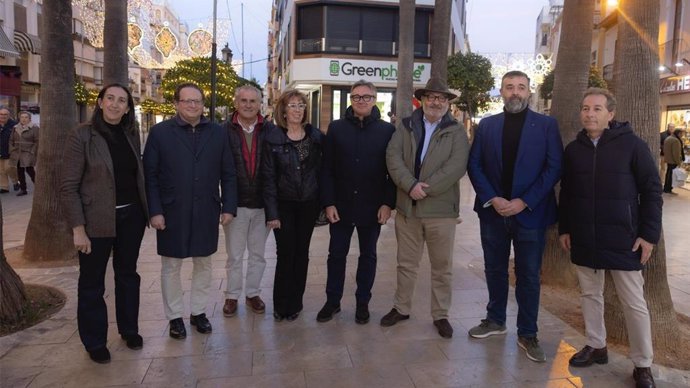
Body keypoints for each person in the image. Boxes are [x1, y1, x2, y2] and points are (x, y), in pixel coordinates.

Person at [559, 88, 661, 388]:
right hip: (584, 237)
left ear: (611, 114)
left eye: (597, 109)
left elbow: (652, 191)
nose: (590, 113)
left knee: (634, 303)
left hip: (624, 238)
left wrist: (648, 235)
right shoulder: (573, 149)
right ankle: (596, 345)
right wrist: (566, 227)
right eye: (585, 108)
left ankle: (643, 364)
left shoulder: (632, 145)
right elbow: (567, 193)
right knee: (590, 295)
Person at [467, 70, 563, 362]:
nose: (515, 92)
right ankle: (495, 319)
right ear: (501, 90)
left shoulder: (546, 125)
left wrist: (525, 201)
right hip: (493, 213)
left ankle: (528, 332)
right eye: (509, 87)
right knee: (494, 269)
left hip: (530, 215)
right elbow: (475, 165)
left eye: (521, 87)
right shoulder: (487, 125)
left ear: (529, 91)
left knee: (529, 275)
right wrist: (492, 198)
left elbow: (554, 167)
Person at [60, 84, 148, 364]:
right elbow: (68, 186)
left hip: (130, 217)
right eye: (110, 98)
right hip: (95, 220)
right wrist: (77, 228)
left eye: (122, 101)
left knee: (127, 274)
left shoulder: (130, 133)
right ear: (99, 102)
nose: (115, 104)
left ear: (127, 107)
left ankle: (129, 329)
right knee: (92, 282)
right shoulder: (82, 135)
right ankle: (95, 340)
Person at [143, 82, 237, 340]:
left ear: (203, 104)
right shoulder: (160, 133)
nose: (193, 105)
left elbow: (228, 173)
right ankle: (175, 317)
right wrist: (155, 211)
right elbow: (149, 176)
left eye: (197, 101)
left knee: (204, 264)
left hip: (206, 209)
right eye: (187, 101)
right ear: (176, 104)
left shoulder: (218, 133)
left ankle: (198, 312)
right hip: (172, 212)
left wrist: (228, 206)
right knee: (171, 266)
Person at [382, 77, 470, 339]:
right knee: (406, 264)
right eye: (431, 97)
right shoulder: (406, 126)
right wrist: (410, 186)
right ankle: (401, 307)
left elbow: (456, 166)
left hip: (441, 212)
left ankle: (440, 314)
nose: (436, 102)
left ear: (447, 103)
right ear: (422, 99)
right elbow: (392, 156)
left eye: (441, 98)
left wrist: (425, 189)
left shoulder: (456, 131)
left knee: (442, 267)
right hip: (408, 208)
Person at [316, 80, 396, 324]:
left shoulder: (387, 131)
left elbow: (392, 171)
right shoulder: (337, 128)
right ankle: (333, 302)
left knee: (368, 256)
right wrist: (328, 203)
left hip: (372, 207)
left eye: (367, 97)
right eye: (357, 97)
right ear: (351, 100)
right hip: (340, 205)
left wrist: (387, 204)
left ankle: (363, 303)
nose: (361, 101)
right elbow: (326, 169)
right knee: (336, 255)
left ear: (375, 99)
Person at [262, 89, 322, 322]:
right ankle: (281, 304)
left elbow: (324, 170)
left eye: (300, 105)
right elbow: (267, 179)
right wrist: (272, 213)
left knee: (302, 254)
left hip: (308, 204)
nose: (297, 109)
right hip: (284, 206)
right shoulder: (274, 138)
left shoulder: (315, 136)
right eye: (292, 105)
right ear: (283, 111)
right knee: (285, 254)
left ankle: (295, 303)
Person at [221, 85, 273, 318]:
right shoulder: (223, 131)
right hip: (236, 205)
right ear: (236, 103)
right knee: (234, 255)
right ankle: (232, 296)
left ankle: (253, 293)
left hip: (262, 205)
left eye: (253, 101)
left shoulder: (270, 130)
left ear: (260, 103)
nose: (249, 105)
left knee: (258, 255)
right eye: (244, 100)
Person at [10, 111, 38, 196]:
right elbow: (11, 140)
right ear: (19, 118)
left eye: (26, 117)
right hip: (17, 152)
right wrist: (11, 150)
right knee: (20, 171)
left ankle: (38, 187)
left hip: (28, 152)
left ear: (29, 119)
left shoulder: (34, 128)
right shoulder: (15, 127)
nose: (24, 119)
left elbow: (38, 141)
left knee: (30, 171)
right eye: (22, 117)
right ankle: (23, 189)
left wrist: (33, 151)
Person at [0, 107, 19, 193]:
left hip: (10, 151)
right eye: (1, 114)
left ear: (9, 115)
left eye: (5, 114)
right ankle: (4, 187)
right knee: (1, 170)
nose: (3, 116)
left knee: (9, 168)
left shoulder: (14, 125)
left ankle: (16, 182)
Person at [663, 127, 684, 194]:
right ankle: (668, 188)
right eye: (681, 134)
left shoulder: (668, 138)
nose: (682, 135)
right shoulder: (676, 140)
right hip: (673, 160)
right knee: (671, 176)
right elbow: (676, 153)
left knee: (668, 174)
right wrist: (678, 162)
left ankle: (666, 188)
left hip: (668, 159)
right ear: (678, 133)